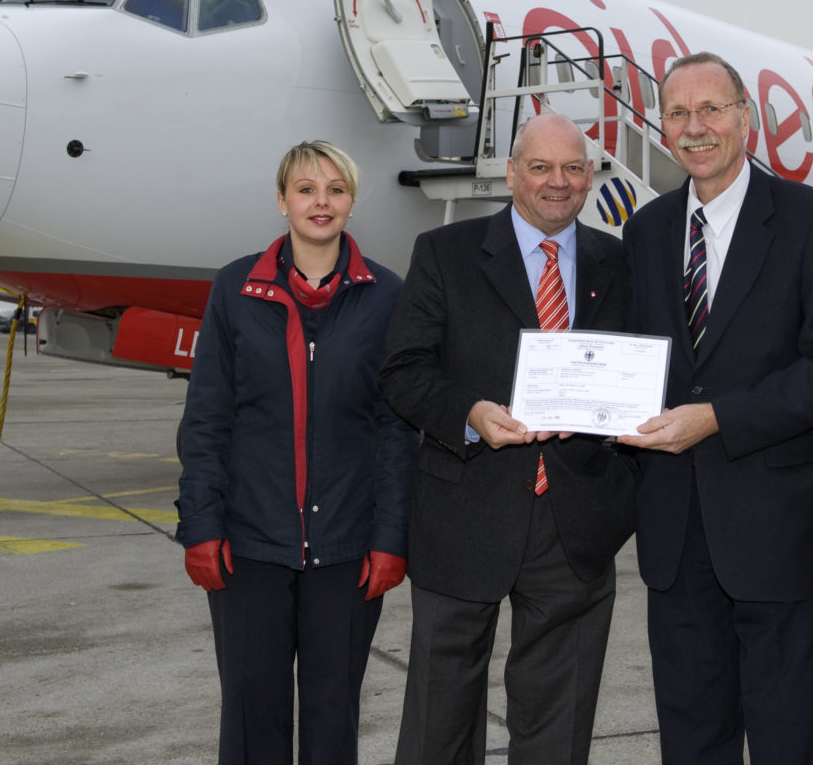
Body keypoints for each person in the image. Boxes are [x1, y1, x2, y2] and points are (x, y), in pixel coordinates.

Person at [618, 52, 813, 765]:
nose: (695, 128)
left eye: (711, 110)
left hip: (774, 528)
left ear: (744, 120)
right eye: (677, 113)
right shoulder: (647, 231)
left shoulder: (809, 219)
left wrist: (719, 417)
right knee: (691, 734)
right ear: (662, 126)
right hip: (673, 532)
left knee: (789, 734)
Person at [379, 112, 637, 765]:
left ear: (589, 177)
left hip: (574, 520)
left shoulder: (617, 260)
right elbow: (402, 372)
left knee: (559, 717)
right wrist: (471, 414)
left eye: (573, 168)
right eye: (542, 167)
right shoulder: (445, 253)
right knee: (439, 717)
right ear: (511, 173)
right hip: (464, 507)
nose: (558, 183)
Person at [174, 141, 416, 765]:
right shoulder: (235, 288)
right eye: (306, 189)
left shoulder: (385, 295)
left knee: (334, 710)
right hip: (249, 543)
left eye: (335, 190)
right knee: (253, 710)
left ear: (351, 202)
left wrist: (391, 538)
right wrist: (201, 524)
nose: (321, 202)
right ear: (281, 200)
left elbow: (395, 428)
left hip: (347, 547)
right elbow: (206, 418)